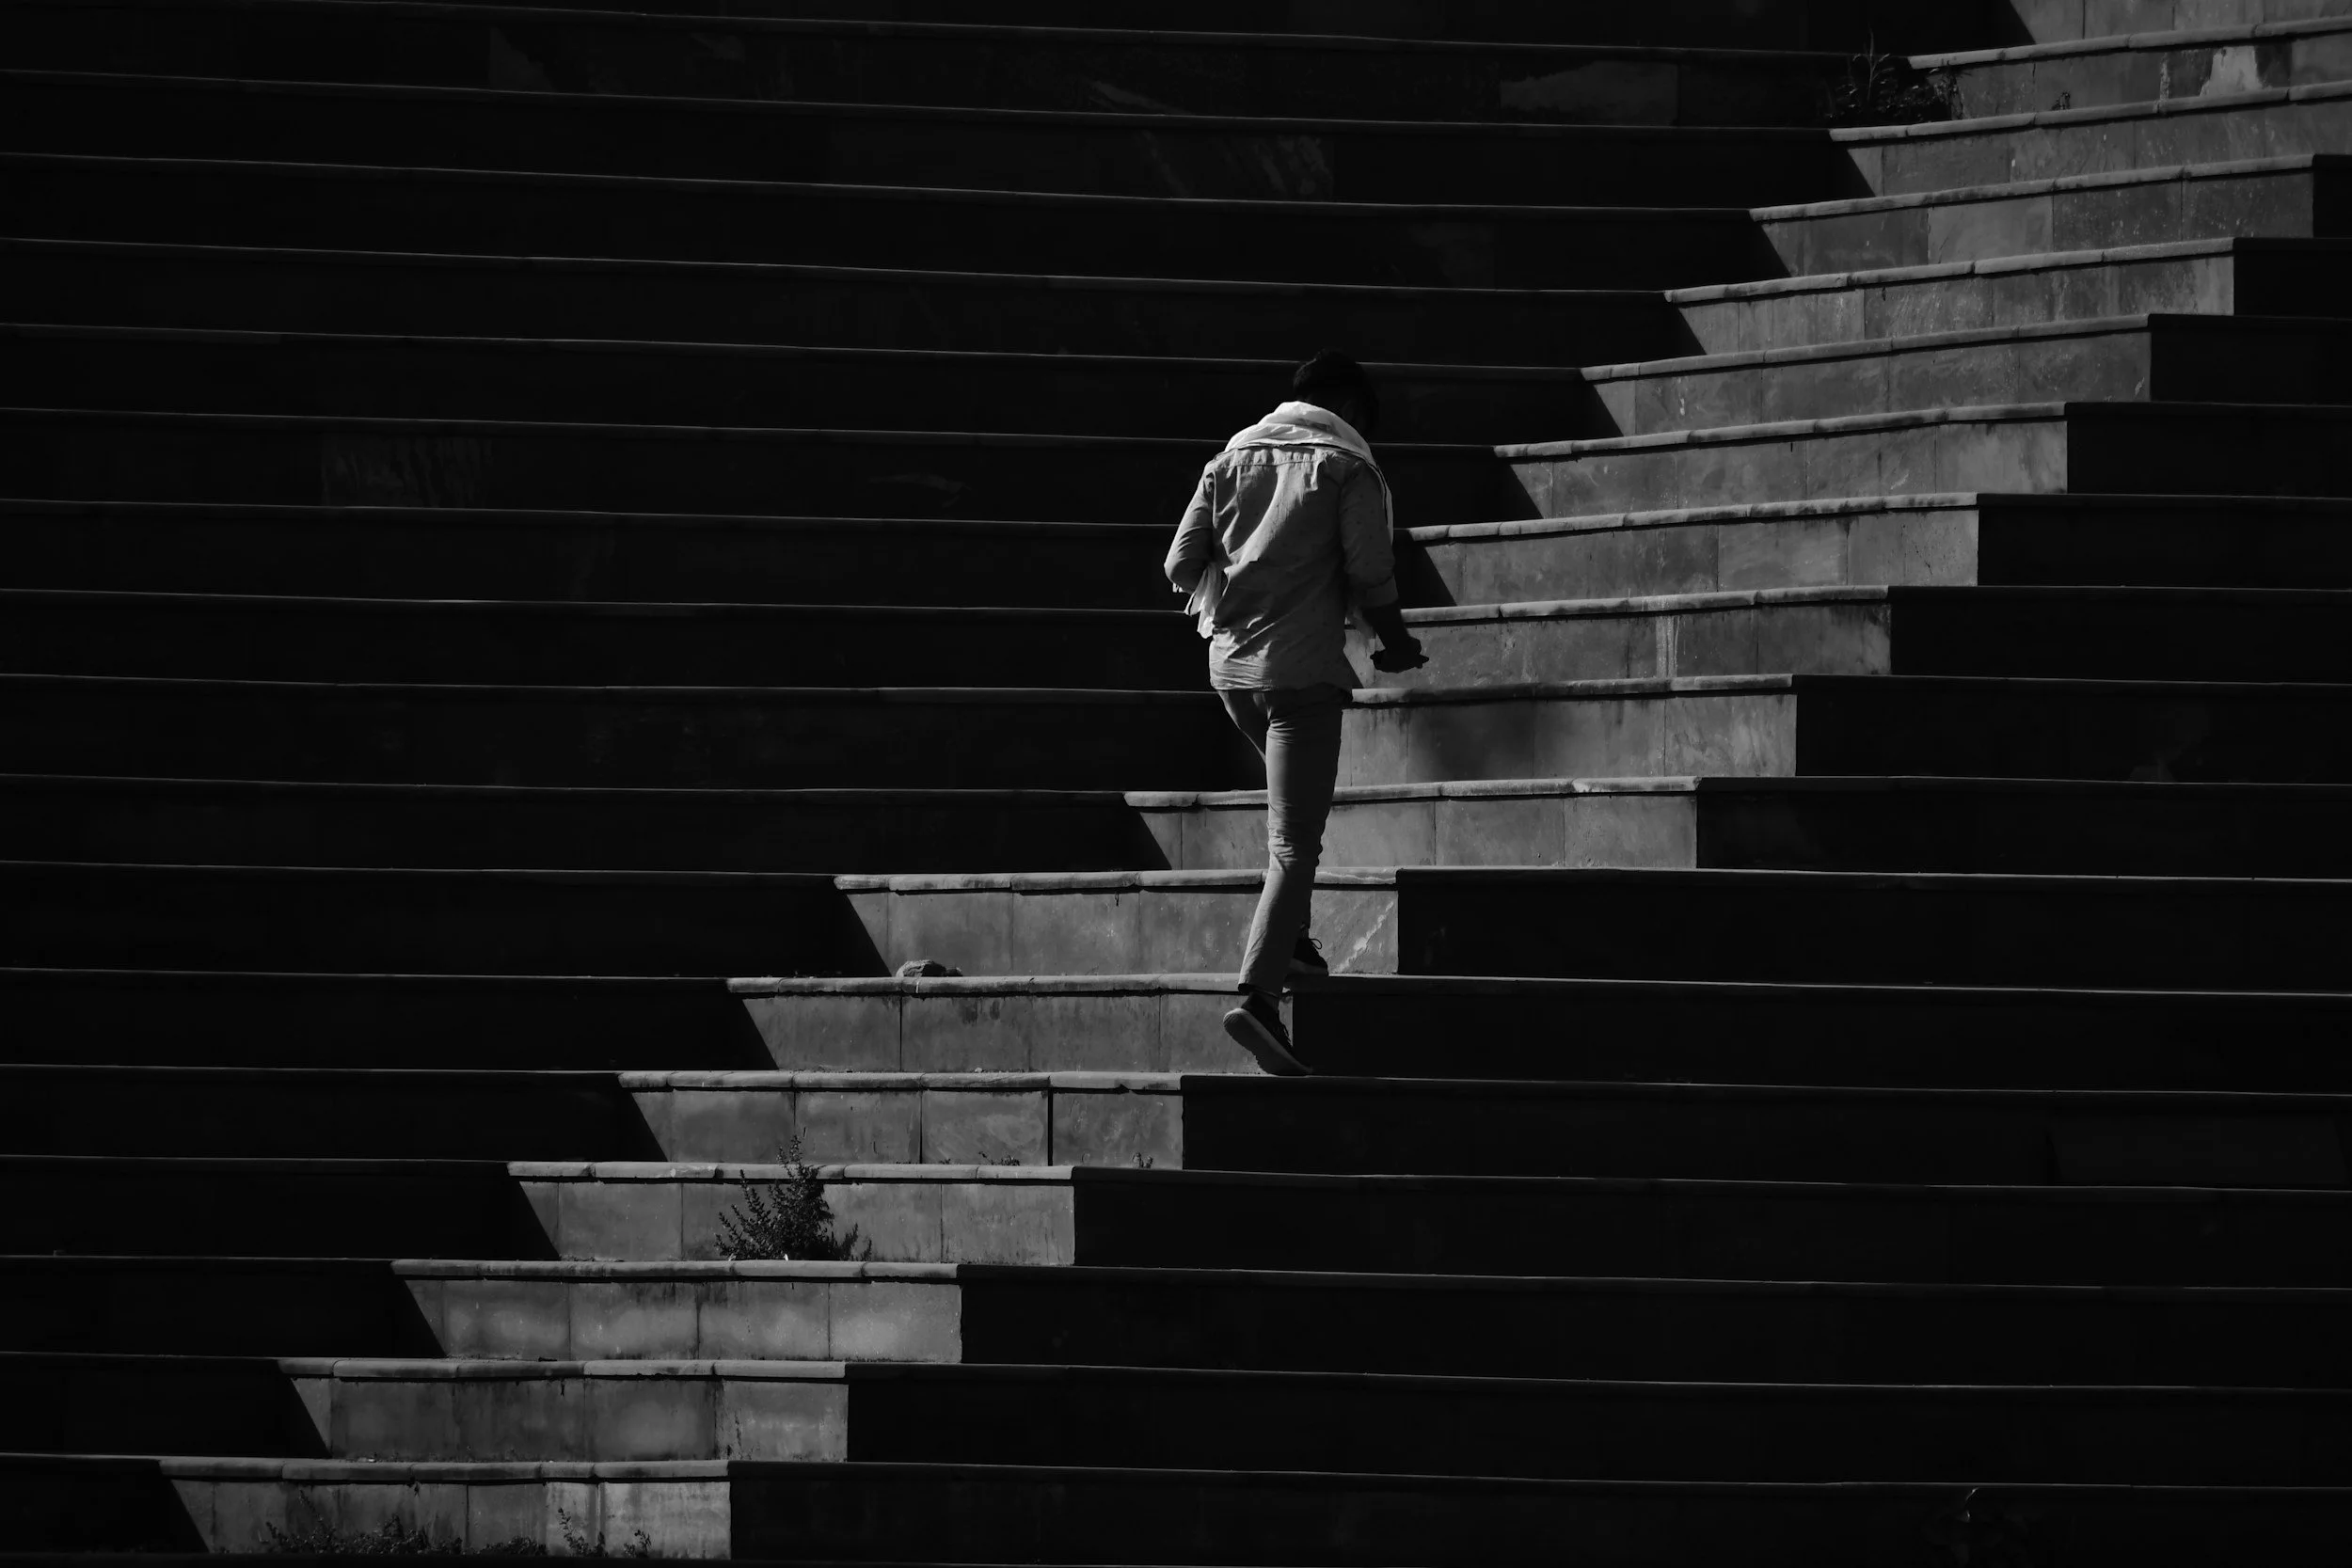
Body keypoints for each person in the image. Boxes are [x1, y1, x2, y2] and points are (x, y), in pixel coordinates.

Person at [1164, 350, 1428, 1076]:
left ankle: (1297, 946)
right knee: (1293, 843)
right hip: (1302, 677)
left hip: (1231, 676)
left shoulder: (1230, 458)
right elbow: (1371, 571)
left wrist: (1243, 591)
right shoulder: (1347, 466)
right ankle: (1257, 997)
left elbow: (1180, 565)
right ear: (1347, 402)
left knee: (1289, 817)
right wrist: (1396, 645)